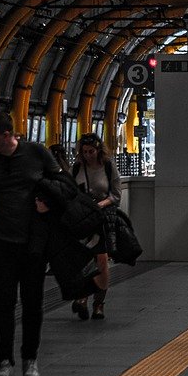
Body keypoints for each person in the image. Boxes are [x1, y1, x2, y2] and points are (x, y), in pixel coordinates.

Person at [0, 109, 64, 376]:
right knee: (3, 303)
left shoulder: (36, 153)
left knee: (33, 303)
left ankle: (30, 358)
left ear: (6, 134)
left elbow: (61, 185)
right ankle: (5, 361)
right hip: (0, 242)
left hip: (33, 243)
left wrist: (49, 203)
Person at [70, 133, 121, 321]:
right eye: (84, 152)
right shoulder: (77, 168)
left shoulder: (108, 167)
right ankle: (82, 297)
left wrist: (100, 204)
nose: (88, 155)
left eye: (91, 151)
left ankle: (98, 303)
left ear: (99, 150)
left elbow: (116, 194)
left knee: (101, 261)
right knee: (82, 260)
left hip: (101, 219)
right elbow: (70, 191)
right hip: (82, 220)